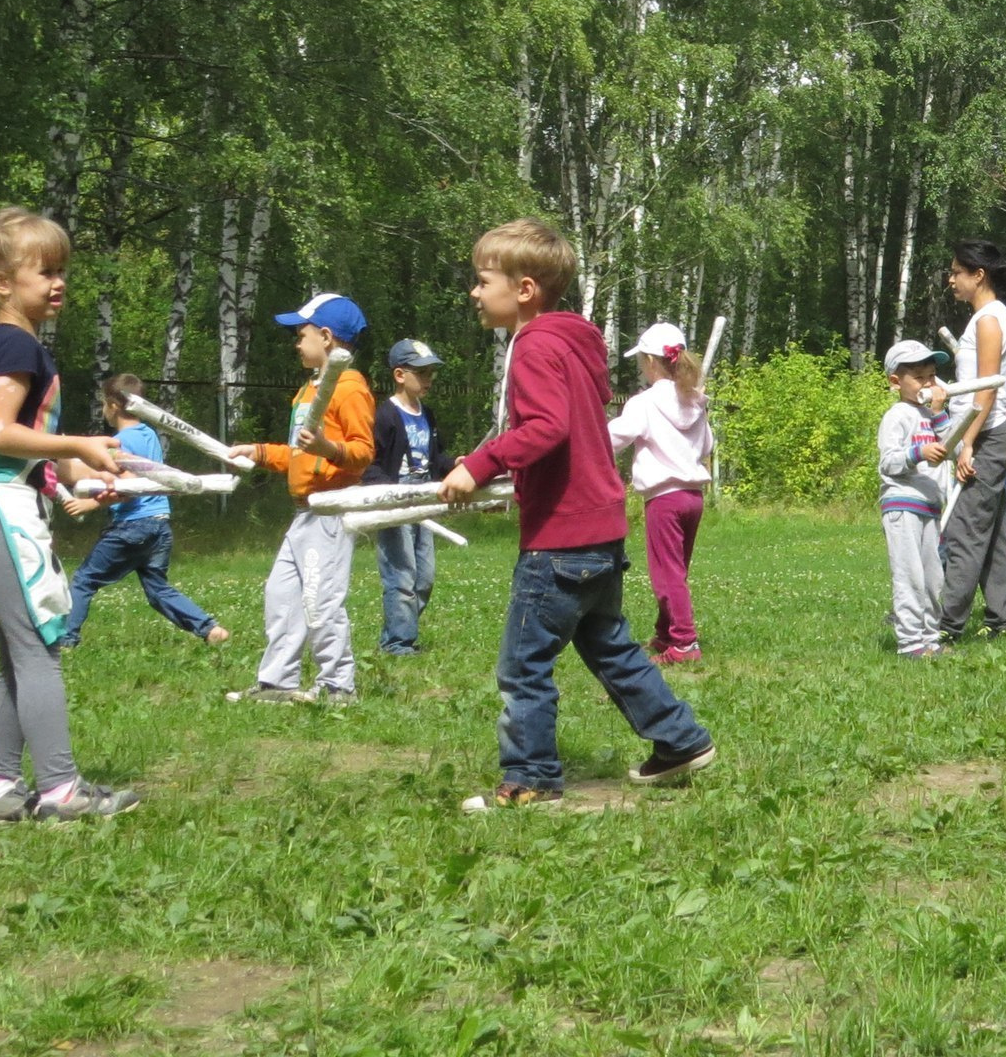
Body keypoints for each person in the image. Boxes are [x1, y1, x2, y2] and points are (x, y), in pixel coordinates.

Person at [440, 218, 714, 808]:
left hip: (560, 540)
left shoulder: (535, 345)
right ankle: (680, 740)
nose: (473, 291)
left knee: (524, 664)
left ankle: (530, 780)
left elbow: (546, 428)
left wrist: (480, 463)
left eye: (482, 279)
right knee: (610, 646)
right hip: (601, 530)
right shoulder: (575, 342)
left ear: (525, 289)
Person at [0, 208, 132, 818]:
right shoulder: (17, 343)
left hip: (1, 498)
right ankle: (61, 791)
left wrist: (89, 473)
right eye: (45, 271)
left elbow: (24, 445)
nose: (59, 282)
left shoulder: (7, 342)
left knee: (16, 652)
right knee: (38, 650)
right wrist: (76, 444)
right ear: (1, 283)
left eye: (62, 269)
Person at [231, 293, 375, 704]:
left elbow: (363, 453)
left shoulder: (349, 388)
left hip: (330, 509)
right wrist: (257, 452)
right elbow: (298, 452)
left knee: (321, 600)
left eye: (302, 334)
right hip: (303, 514)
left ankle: (337, 686)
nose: (297, 342)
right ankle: (278, 682)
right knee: (282, 595)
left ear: (326, 337)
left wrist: (330, 450)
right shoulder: (310, 390)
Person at [60, 374, 227, 651]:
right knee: (157, 590)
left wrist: (91, 503)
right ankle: (209, 629)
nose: (103, 409)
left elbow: (127, 484)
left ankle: (66, 641)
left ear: (113, 405)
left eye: (104, 403)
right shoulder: (149, 434)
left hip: (133, 526)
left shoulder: (121, 442)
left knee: (83, 580)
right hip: (159, 524)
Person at [933, 241, 1006, 643]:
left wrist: (966, 442)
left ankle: (945, 625)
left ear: (978, 275)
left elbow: (987, 391)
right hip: (987, 434)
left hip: (985, 436)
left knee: (965, 531)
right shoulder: (991, 317)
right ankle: (1004, 618)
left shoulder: (988, 321)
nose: (951, 280)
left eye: (956, 272)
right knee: (996, 529)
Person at [609, 321, 714, 663]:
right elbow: (707, 445)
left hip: (664, 499)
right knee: (676, 569)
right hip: (693, 497)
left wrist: (586, 442)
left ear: (652, 363)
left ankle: (684, 643)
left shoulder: (645, 403)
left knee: (666, 573)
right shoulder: (695, 401)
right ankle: (666, 633)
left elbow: (614, 438)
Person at [366, 338, 452, 656]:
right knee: (401, 573)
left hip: (424, 503)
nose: (428, 379)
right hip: (395, 505)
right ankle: (398, 643)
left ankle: (400, 631)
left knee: (424, 576)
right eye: (422, 372)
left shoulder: (426, 415)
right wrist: (385, 492)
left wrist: (458, 466)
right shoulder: (386, 415)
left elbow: (436, 458)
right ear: (400, 374)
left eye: (431, 372)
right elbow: (370, 463)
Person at [876, 339, 951, 658]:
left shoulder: (931, 415)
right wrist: (917, 452)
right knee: (911, 577)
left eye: (931, 376)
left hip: (930, 507)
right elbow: (888, 462)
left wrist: (940, 415)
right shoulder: (897, 415)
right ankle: (910, 643)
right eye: (919, 377)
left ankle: (931, 639)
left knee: (934, 579)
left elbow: (955, 446)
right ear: (896, 382)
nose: (928, 383)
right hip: (902, 505)